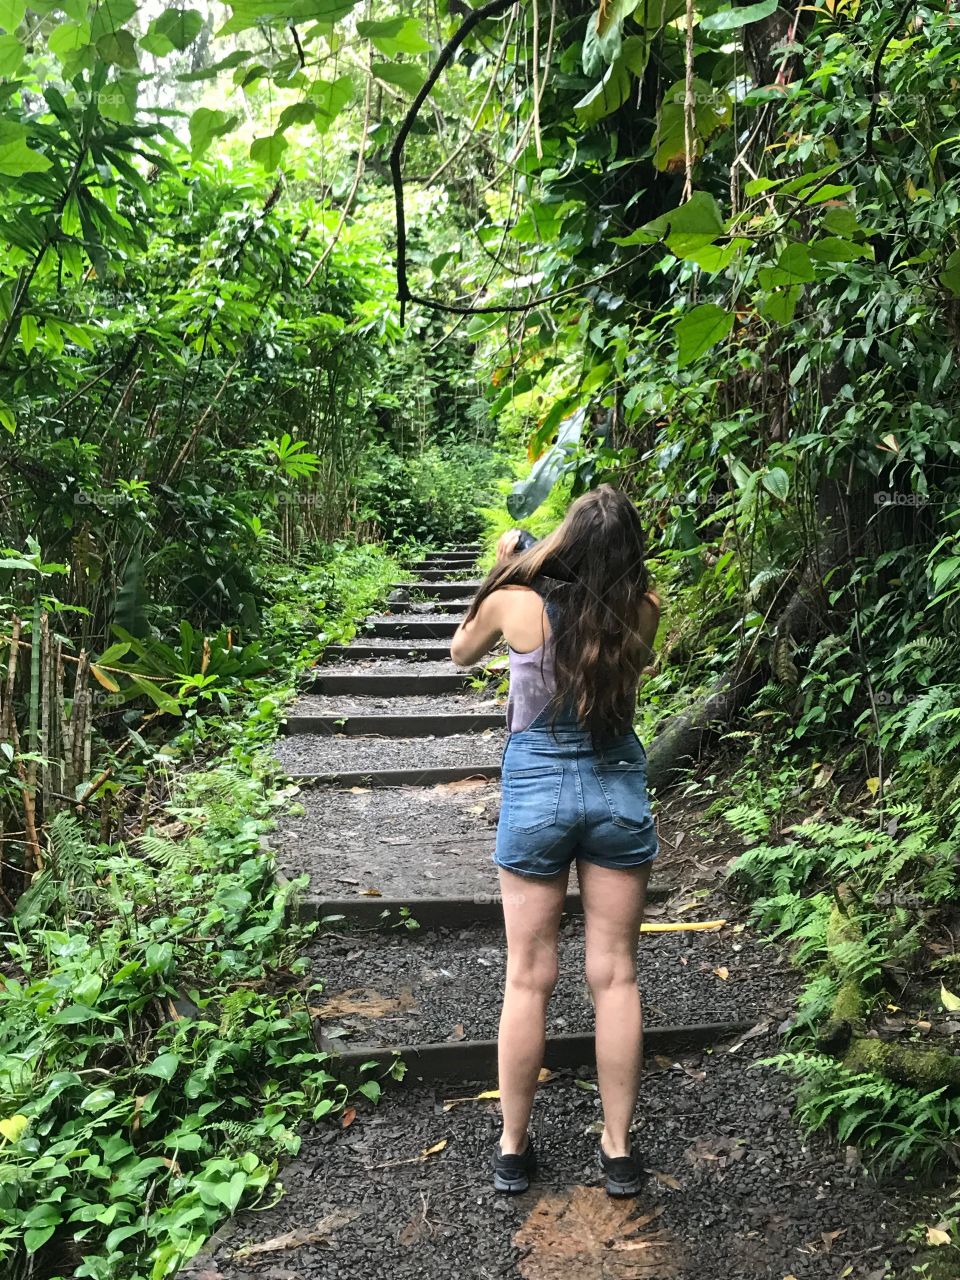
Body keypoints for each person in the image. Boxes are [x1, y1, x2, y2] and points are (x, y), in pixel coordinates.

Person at [449, 485, 661, 1198]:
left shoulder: (518, 602)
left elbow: (458, 653)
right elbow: (627, 667)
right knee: (616, 976)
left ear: (564, 542)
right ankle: (618, 1151)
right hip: (616, 789)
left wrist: (505, 566)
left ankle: (513, 1149)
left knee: (527, 977)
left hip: (537, 794)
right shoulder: (644, 609)